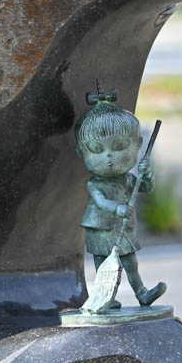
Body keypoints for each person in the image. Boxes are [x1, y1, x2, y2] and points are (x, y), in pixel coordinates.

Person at [74, 86, 166, 309]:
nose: (109, 156)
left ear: (137, 146)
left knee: (130, 260)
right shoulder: (95, 183)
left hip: (123, 226)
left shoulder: (127, 179)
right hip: (101, 227)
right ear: (81, 153)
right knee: (101, 261)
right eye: (97, 149)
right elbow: (100, 201)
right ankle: (105, 296)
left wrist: (146, 173)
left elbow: (145, 187)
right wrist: (116, 207)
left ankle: (142, 293)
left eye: (120, 147)